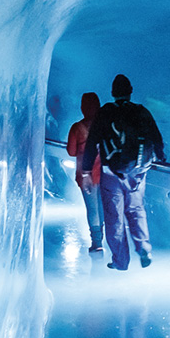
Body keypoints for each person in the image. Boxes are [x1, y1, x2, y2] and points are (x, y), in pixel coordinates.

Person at [82, 74, 165, 271]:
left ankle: (120, 261)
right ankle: (144, 248)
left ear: (113, 93)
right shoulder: (141, 111)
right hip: (137, 172)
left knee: (114, 217)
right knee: (136, 210)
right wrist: (160, 156)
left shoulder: (106, 112)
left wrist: (86, 170)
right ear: (130, 91)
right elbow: (156, 136)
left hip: (111, 173)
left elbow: (93, 141)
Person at [67, 92, 104, 252]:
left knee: (92, 209)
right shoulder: (105, 126)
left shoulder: (77, 128)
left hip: (85, 175)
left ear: (83, 107)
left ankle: (97, 242)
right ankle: (105, 238)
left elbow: (71, 151)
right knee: (103, 207)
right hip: (104, 174)